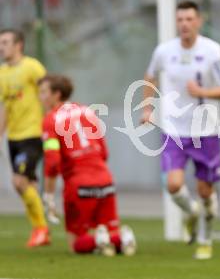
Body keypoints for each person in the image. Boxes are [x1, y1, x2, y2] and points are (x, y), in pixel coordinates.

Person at [142, 1, 220, 260]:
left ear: (198, 21)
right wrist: (147, 108)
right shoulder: (164, 51)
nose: (184, 24)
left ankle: (205, 238)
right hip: (173, 129)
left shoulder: (212, 51)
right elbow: (150, 76)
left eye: (189, 19)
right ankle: (190, 212)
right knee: (173, 184)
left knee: (206, 191)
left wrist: (202, 92)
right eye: (180, 19)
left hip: (206, 130)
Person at [38, 74, 136, 256]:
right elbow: (104, 152)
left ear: (57, 94)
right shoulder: (87, 111)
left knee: (76, 244)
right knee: (110, 232)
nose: (40, 97)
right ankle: (122, 239)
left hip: (78, 185)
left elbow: (52, 164)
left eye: (43, 92)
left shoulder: (50, 120)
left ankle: (100, 240)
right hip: (105, 180)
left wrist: (49, 196)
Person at [0, 28, 50, 247]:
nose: (2, 47)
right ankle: (40, 231)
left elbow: (49, 92)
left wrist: (52, 122)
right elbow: (5, 107)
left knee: (19, 182)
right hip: (14, 137)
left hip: (33, 133)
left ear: (19, 44)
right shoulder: (2, 73)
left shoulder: (32, 67)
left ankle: (41, 228)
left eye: (5, 42)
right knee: (26, 184)